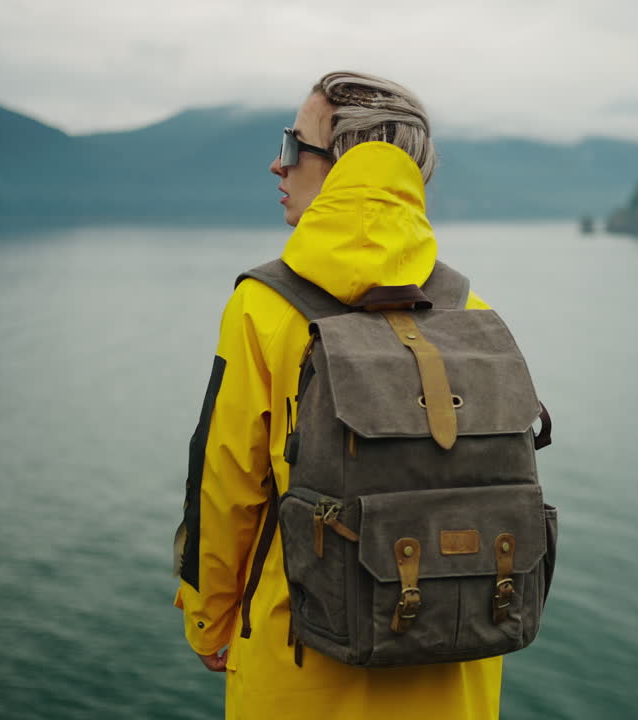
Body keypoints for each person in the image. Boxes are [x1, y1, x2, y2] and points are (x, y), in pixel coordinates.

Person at [173, 71, 501, 719]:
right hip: (454, 665)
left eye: (293, 145)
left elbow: (224, 485)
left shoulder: (262, 307)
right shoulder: (472, 311)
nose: (277, 164)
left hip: (301, 661)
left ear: (345, 165)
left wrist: (209, 621)